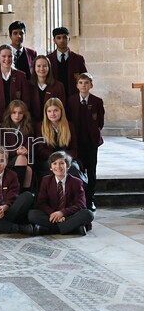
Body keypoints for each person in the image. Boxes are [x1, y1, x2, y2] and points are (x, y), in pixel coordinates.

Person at [28, 151, 94, 236]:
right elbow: (41, 203)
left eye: (61, 163)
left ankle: (50, 229)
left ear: (68, 166)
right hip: (51, 215)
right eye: (54, 163)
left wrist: (62, 213)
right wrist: (53, 214)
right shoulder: (46, 180)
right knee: (32, 214)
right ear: (51, 167)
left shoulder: (76, 182)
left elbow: (81, 204)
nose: (58, 166)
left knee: (88, 214)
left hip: (69, 215)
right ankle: (71, 228)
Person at [67, 72, 104, 211]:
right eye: (81, 82)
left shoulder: (97, 101)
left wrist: (93, 133)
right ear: (77, 85)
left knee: (91, 170)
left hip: (91, 142)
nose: (84, 85)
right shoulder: (71, 101)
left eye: (86, 83)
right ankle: (79, 199)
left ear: (91, 85)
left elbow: (100, 121)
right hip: (77, 141)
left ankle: (90, 199)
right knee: (78, 169)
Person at [36, 98, 85, 182]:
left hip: (67, 160)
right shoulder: (40, 127)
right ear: (46, 113)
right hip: (48, 160)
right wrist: (56, 159)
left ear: (61, 111)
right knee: (54, 169)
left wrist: (63, 159)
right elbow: (40, 150)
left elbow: (74, 149)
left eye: (56, 110)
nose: (52, 114)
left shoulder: (69, 126)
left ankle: (75, 193)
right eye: (49, 111)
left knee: (73, 168)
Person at [0, 44, 30, 127]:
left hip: (17, 122)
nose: (7, 59)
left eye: (10, 56)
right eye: (4, 56)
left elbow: (25, 100)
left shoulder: (21, 76)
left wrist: (17, 119)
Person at [0, 100, 34, 189]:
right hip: (7, 159)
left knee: (27, 168)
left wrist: (25, 150)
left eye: (20, 113)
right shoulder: (1, 128)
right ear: (9, 113)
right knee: (22, 160)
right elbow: (2, 149)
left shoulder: (29, 128)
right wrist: (16, 151)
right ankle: (17, 192)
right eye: (14, 112)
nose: (17, 116)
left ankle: (21, 193)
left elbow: (30, 146)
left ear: (24, 114)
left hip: (25, 158)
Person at [47, 26, 88, 97]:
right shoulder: (48, 59)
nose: (62, 40)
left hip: (74, 97)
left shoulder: (78, 59)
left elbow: (85, 79)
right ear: (54, 40)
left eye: (64, 37)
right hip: (54, 97)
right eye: (58, 38)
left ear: (68, 39)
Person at [29, 55, 66, 123]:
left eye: (45, 66)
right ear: (34, 68)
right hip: (33, 125)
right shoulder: (28, 86)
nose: (42, 69)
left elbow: (62, 108)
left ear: (49, 68)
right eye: (39, 66)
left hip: (53, 124)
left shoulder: (58, 86)